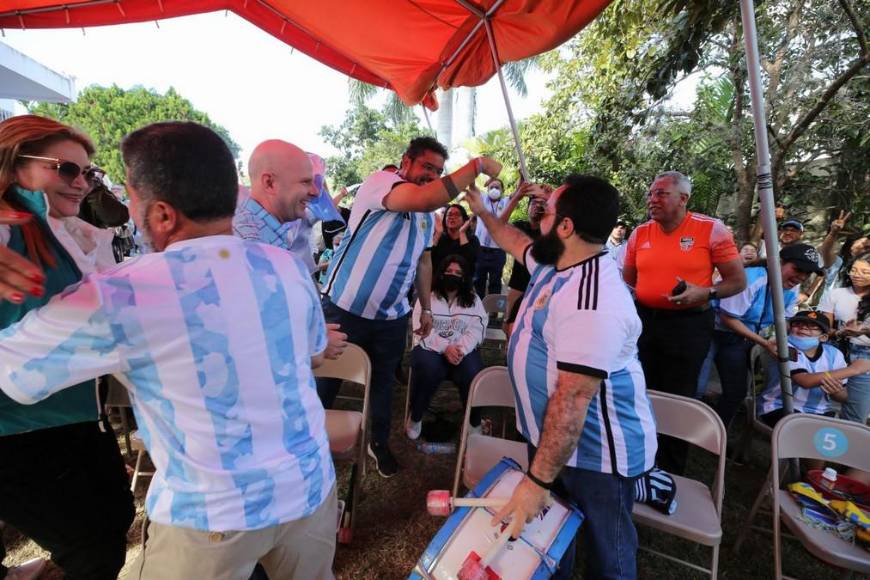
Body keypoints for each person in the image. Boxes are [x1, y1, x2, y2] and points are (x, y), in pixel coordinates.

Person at [0, 121, 338, 580]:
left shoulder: (125, 293)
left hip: (212, 516)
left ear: (161, 214)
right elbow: (312, 348)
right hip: (310, 488)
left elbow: (13, 372)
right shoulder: (287, 267)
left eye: (132, 199)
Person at [466, 175, 657, 579]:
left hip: (595, 455)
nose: (537, 213)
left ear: (566, 227)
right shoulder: (559, 264)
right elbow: (514, 242)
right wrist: (483, 211)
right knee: (553, 538)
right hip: (552, 440)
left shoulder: (593, 299)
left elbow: (572, 402)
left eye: (547, 209)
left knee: (610, 555)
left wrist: (536, 482)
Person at [0, 114, 134, 580]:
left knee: (114, 520)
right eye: (66, 169)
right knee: (92, 545)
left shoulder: (61, 230)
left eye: (88, 172)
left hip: (72, 415)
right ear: (16, 164)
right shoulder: (9, 223)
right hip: (21, 427)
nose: (81, 183)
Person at [318, 137, 502, 477]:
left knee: (383, 382)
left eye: (437, 171)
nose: (430, 175)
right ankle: (311, 440)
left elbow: (424, 263)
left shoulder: (426, 219)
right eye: (426, 167)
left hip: (390, 317)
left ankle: (378, 441)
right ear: (406, 163)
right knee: (327, 378)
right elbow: (425, 197)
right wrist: (476, 166)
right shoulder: (382, 183)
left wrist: (427, 310)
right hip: (344, 306)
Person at [623, 170, 745, 474]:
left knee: (678, 396)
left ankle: (670, 470)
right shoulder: (640, 233)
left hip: (688, 326)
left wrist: (707, 292)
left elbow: (738, 281)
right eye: (651, 193)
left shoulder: (711, 229)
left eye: (661, 193)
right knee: (640, 390)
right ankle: (637, 461)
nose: (652, 199)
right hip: (645, 324)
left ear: (683, 198)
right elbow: (628, 280)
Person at [234, 140, 347, 360]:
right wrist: (316, 342)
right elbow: (246, 333)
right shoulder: (253, 244)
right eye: (306, 182)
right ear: (270, 183)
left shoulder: (267, 233)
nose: (315, 192)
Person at [712, 244, 823, 428]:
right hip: (719, 333)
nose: (801, 277)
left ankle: (721, 434)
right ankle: (705, 435)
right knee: (709, 387)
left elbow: (784, 320)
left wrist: (800, 338)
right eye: (797, 269)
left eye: (807, 273)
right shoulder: (751, 278)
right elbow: (728, 318)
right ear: (778, 262)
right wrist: (765, 343)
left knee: (742, 390)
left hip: (748, 339)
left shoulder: (792, 288)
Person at [406, 254, 486, 439]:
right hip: (430, 347)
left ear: (465, 277)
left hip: (461, 350)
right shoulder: (428, 298)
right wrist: (445, 348)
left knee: (474, 373)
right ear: (440, 274)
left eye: (458, 272)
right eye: (449, 271)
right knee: (427, 368)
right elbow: (421, 329)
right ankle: (416, 416)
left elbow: (478, 328)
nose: (453, 275)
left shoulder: (473, 300)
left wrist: (460, 349)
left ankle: (473, 422)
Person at [757, 311, 869, 427]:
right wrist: (854, 370)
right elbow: (804, 381)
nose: (804, 327)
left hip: (820, 411)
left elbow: (844, 396)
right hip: (779, 406)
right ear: (790, 329)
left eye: (813, 326)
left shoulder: (834, 354)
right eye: (798, 323)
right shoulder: (784, 347)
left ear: (824, 337)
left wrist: (836, 392)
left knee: (839, 437)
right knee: (809, 435)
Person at [819, 252, 870, 423]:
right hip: (836, 351)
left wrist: (864, 331)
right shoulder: (836, 293)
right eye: (854, 270)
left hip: (865, 359)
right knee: (825, 403)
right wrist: (840, 332)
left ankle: (850, 447)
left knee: (856, 413)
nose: (857, 275)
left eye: (865, 272)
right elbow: (825, 328)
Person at [503, 193, 546, 337]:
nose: (537, 207)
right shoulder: (520, 226)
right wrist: (516, 197)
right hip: (517, 284)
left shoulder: (549, 232)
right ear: (527, 208)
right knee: (509, 325)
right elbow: (499, 224)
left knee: (537, 326)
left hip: (541, 286)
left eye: (542, 204)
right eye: (534, 204)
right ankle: (509, 357)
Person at [473, 177, 511, 297]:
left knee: (495, 282)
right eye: (491, 187)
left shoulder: (506, 202)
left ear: (502, 190)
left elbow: (519, 192)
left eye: (497, 187)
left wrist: (521, 176)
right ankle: (478, 312)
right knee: (478, 281)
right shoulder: (482, 199)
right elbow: (472, 186)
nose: (494, 189)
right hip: (480, 249)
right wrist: (475, 170)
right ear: (487, 189)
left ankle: (494, 312)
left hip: (498, 251)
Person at [430, 204, 479, 273]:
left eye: (457, 215)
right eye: (449, 215)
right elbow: (428, 259)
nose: (452, 217)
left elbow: (471, 261)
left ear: (464, 220)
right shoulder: (439, 237)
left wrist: (462, 233)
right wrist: (438, 234)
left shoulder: (473, 239)